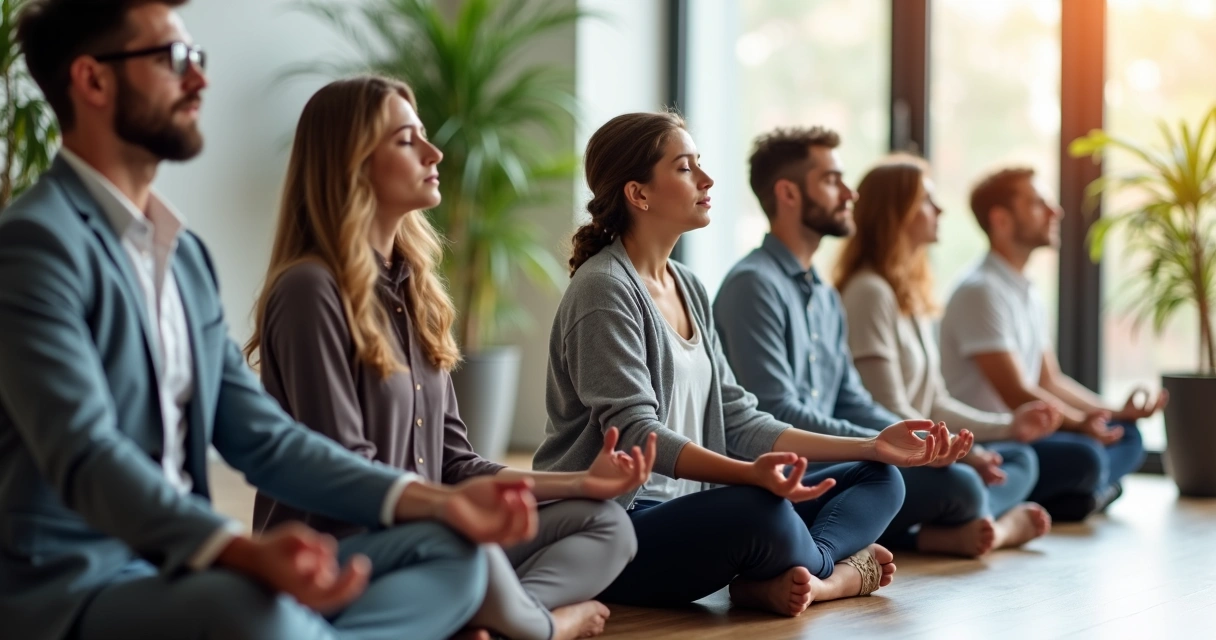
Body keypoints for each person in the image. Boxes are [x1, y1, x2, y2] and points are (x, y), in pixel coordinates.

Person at [0, 3, 539, 639]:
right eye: (174, 61)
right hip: (81, 585)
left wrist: (444, 501)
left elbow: (265, 439)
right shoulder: (34, 245)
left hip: (186, 575)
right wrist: (241, 552)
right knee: (254, 613)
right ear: (93, 81)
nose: (199, 79)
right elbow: (88, 455)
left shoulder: (184, 256)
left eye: (196, 58)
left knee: (454, 553)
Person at [245, 75, 651, 640]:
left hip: (431, 537)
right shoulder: (310, 291)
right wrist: (455, 516)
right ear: (353, 162)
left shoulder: (416, 292)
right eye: (406, 140)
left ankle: (484, 613)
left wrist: (585, 483)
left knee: (609, 524)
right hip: (342, 555)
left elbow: (456, 464)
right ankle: (537, 626)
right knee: (466, 547)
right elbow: (344, 479)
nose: (434, 153)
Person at [535, 111, 970, 617]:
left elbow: (739, 418)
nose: (706, 179)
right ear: (639, 193)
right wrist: (749, 475)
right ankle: (841, 573)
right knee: (758, 510)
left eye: (699, 163)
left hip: (689, 510)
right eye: (684, 168)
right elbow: (637, 436)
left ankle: (806, 574)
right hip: (614, 524)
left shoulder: (688, 286)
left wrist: (872, 445)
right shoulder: (604, 289)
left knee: (878, 476)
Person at [714, 127, 1027, 558]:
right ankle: (830, 559)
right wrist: (880, 446)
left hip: (842, 464)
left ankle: (852, 544)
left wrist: (916, 442)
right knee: (950, 484)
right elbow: (777, 411)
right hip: (790, 474)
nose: (849, 193)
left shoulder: (823, 293)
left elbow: (852, 398)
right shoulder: (753, 285)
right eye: (831, 180)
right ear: (787, 194)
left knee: (1008, 463)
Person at [835, 156, 1060, 553]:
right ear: (897, 214)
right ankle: (954, 532)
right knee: (967, 483)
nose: (939, 209)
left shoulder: (910, 296)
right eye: (926, 200)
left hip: (928, 451)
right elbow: (889, 408)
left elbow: (936, 401)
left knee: (1021, 458)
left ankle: (969, 527)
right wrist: (967, 454)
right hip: (890, 458)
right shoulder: (868, 293)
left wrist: (1009, 426)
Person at [939, 166, 1164, 521]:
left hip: (1036, 434)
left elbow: (1050, 380)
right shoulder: (980, 290)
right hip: (999, 440)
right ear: (1001, 220)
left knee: (1129, 436)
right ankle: (1087, 492)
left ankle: (1080, 496)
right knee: (1086, 457)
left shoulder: (1026, 291)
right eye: (1038, 204)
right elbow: (1017, 392)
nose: (1055, 211)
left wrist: (1111, 413)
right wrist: (1081, 424)